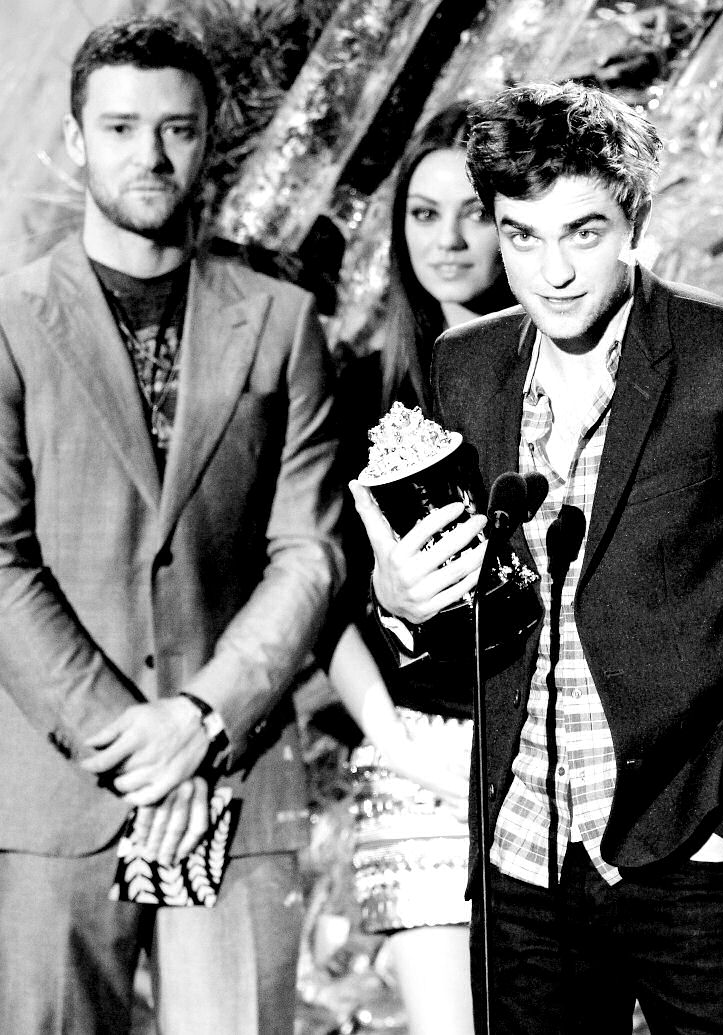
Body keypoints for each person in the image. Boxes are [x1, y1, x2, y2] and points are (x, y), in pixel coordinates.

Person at [349, 80, 723, 1034]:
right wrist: (400, 603)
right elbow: (473, 611)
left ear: (635, 220)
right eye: (521, 237)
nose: (551, 272)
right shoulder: (467, 364)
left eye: (581, 233)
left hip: (694, 855)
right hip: (523, 860)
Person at [0, 17, 343, 1035]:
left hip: (238, 777)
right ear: (76, 141)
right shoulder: (8, 322)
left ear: (209, 140)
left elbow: (309, 552)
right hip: (56, 791)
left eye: (177, 129)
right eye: (120, 128)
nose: (149, 155)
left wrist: (201, 720)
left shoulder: (281, 321)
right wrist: (140, 747)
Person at [323, 102, 515, 1035]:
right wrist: (392, 738)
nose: (449, 240)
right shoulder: (362, 390)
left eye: (475, 213)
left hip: (547, 743)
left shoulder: (566, 372)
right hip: (416, 744)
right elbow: (319, 594)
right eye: (424, 214)